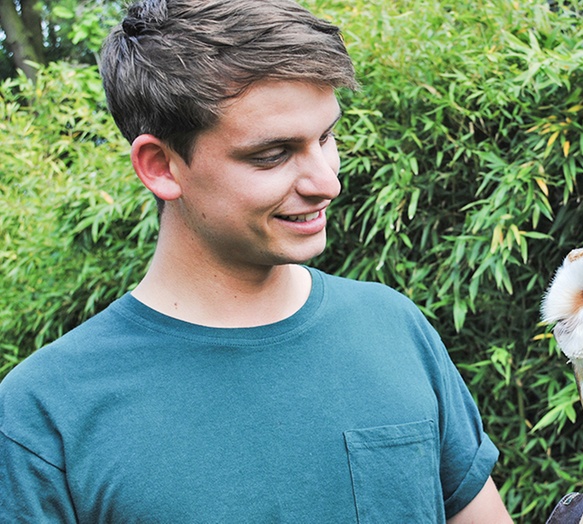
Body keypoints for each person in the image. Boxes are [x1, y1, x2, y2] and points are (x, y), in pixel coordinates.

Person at [0, 0, 512, 522]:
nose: (328, 183)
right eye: (272, 154)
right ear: (161, 166)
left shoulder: (393, 326)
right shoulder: (42, 416)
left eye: (327, 137)